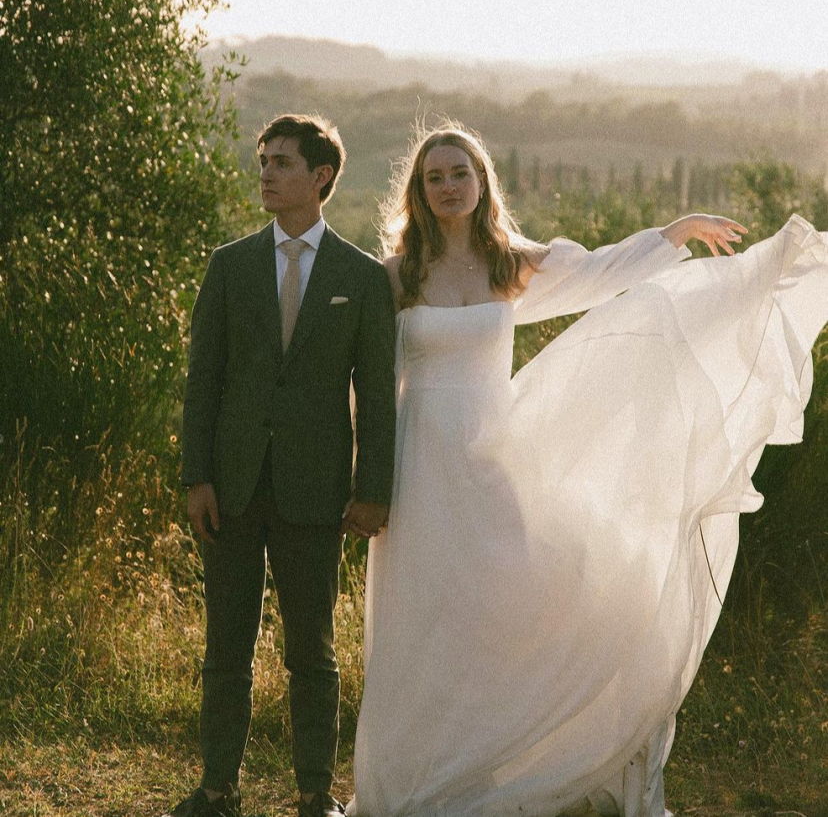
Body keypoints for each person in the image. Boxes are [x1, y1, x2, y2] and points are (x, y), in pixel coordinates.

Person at [347, 122, 828, 817]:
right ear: (418, 193)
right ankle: (412, 774)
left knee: (507, 610)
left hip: (492, 459)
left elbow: (600, 272)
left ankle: (507, 756)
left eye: (460, 173)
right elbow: (368, 381)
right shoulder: (397, 276)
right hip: (421, 465)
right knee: (421, 623)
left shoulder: (508, 260)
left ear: (482, 183)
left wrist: (675, 232)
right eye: (435, 177)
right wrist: (367, 476)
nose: (449, 186)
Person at [168, 114, 397, 817]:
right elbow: (203, 379)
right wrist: (196, 477)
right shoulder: (228, 265)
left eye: (282, 162)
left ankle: (313, 796)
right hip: (231, 487)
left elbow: (377, 395)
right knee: (225, 648)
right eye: (263, 159)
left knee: (314, 653)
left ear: (321, 177)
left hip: (316, 492)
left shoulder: (361, 278)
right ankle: (216, 789)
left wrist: (373, 492)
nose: (265, 172)